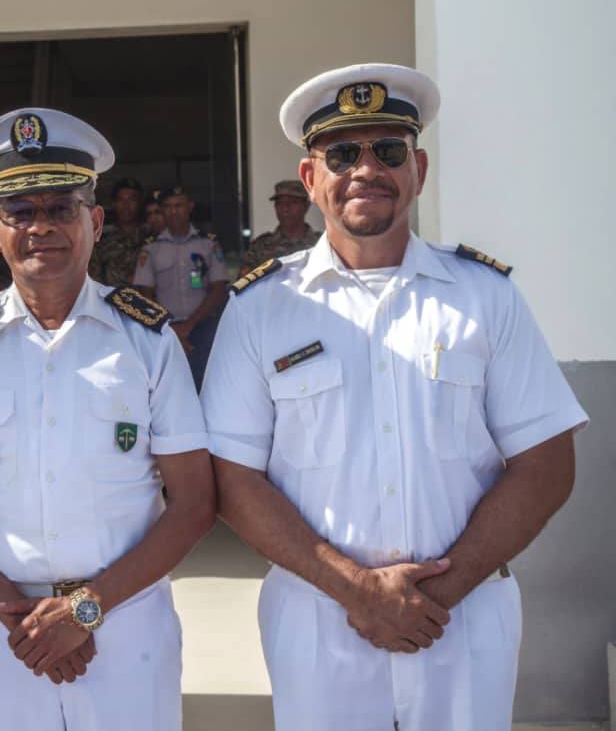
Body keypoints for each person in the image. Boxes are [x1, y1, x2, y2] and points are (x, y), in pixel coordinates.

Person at [200, 63, 589, 731]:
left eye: (388, 150)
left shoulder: (485, 297)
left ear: (419, 169)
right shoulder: (261, 308)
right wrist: (357, 591)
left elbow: (546, 464)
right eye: (342, 155)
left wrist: (435, 594)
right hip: (319, 617)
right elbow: (231, 478)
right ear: (310, 178)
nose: (366, 169)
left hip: (463, 616)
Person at [0, 108, 215, 731]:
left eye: (62, 208)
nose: (42, 227)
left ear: (94, 222)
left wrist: (85, 610)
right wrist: (18, 617)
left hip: (126, 624)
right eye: (21, 212)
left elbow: (195, 502)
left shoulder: (148, 341)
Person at [132, 185, 228, 391]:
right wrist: (170, 328)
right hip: (164, 330)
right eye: (167, 207)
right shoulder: (150, 247)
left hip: (203, 328)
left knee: (208, 386)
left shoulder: (208, 243)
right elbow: (145, 294)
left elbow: (219, 289)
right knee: (169, 388)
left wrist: (188, 326)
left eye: (179, 205)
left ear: (190, 207)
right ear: (161, 210)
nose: (173, 212)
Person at [238, 179, 321, 274]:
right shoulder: (260, 246)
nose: (285, 208)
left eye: (293, 202)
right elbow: (245, 280)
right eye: (280, 203)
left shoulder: (321, 244)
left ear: (306, 206)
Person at [87, 177, 148, 287]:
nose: (126, 205)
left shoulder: (150, 234)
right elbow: (94, 279)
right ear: (114, 203)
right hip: (112, 295)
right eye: (121, 200)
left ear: (140, 203)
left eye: (132, 200)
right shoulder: (101, 238)